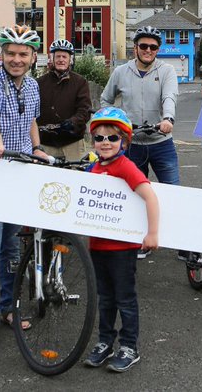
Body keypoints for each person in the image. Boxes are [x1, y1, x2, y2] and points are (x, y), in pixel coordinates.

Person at [0, 26, 52, 353]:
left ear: (33, 58)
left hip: (19, 172)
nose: (16, 59)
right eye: (10, 53)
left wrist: (37, 147)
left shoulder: (32, 85)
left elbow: (31, 119)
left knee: (12, 248)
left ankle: (9, 307)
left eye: (22, 54)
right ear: (1, 55)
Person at [82, 107, 160, 373]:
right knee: (105, 298)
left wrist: (152, 232)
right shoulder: (93, 168)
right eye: (99, 138)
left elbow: (149, 196)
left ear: (124, 142)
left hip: (122, 248)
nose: (105, 143)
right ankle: (105, 341)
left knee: (124, 298)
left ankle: (129, 346)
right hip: (98, 246)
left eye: (112, 138)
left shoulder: (126, 167)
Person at [101, 26, 177, 259]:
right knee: (134, 195)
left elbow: (169, 96)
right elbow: (106, 99)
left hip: (161, 141)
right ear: (135, 48)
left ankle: (183, 245)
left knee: (174, 191)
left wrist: (168, 119)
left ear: (158, 49)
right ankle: (139, 240)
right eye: (143, 46)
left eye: (153, 47)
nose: (148, 50)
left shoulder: (167, 70)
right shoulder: (121, 72)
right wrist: (114, 123)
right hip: (132, 144)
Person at [36, 38, 92, 162]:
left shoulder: (80, 82)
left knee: (74, 173)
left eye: (64, 57)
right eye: (58, 56)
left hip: (72, 142)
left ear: (70, 60)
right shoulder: (39, 83)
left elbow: (85, 109)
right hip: (46, 143)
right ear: (52, 59)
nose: (61, 60)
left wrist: (72, 122)